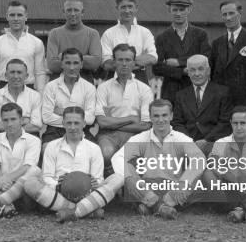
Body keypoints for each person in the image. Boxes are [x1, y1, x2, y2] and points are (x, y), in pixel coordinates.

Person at [24, 106, 124, 222]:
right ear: (63, 124)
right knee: (29, 183)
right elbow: (47, 177)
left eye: (76, 123)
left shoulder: (94, 148)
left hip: (87, 195)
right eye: (69, 123)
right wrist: (57, 185)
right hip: (59, 194)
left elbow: (98, 179)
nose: (72, 127)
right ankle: (85, 211)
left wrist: (94, 183)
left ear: (84, 124)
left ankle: (73, 212)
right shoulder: (52, 146)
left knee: (119, 178)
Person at [111, 99, 206, 219]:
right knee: (127, 173)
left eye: (164, 115)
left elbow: (200, 159)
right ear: (150, 117)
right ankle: (161, 207)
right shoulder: (141, 138)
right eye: (156, 116)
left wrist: (184, 182)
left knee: (196, 181)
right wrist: (130, 177)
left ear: (171, 116)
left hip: (173, 188)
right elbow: (117, 157)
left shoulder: (181, 138)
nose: (160, 120)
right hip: (148, 187)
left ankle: (151, 207)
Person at [0, 103, 42, 220]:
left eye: (13, 119)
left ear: (22, 120)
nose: (9, 124)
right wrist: (1, 182)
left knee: (35, 170)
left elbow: (27, 167)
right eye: (5, 120)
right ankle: (6, 206)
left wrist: (5, 180)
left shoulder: (34, 140)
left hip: (21, 189)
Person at [95, 44, 153, 175]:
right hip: (108, 136)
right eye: (120, 60)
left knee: (135, 159)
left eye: (128, 60)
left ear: (134, 63)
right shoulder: (104, 88)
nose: (124, 63)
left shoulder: (144, 89)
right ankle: (110, 189)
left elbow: (145, 125)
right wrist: (131, 119)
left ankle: (131, 190)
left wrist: (113, 123)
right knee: (106, 153)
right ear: (114, 62)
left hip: (136, 135)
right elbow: (102, 123)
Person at [153, 0, 211, 103]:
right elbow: (157, 68)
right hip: (171, 92)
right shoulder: (162, 37)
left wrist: (179, 61)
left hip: (195, 89)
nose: (178, 13)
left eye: (182, 10)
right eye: (175, 10)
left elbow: (206, 58)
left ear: (189, 10)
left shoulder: (200, 34)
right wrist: (182, 71)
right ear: (169, 10)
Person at [0, 0, 47, 102]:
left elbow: (40, 73)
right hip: (2, 89)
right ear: (7, 16)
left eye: (20, 15)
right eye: (12, 15)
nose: (16, 19)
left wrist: (41, 98)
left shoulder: (37, 43)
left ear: (26, 16)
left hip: (29, 89)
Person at [171, 54, 232, 155]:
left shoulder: (223, 92)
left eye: (200, 69)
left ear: (208, 71)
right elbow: (177, 123)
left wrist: (207, 140)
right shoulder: (180, 95)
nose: (197, 73)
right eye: (192, 70)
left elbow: (225, 123)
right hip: (188, 146)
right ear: (188, 72)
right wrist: (189, 142)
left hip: (215, 144)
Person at [100, 0, 157, 84]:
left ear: (136, 8)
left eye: (130, 6)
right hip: (114, 78)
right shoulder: (108, 33)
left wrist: (120, 61)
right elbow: (106, 63)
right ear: (117, 8)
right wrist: (136, 61)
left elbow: (153, 57)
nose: (127, 11)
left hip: (140, 77)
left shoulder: (145, 32)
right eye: (123, 7)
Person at [41, 48, 96, 143]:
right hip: (54, 131)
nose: (71, 67)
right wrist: (79, 115)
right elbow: (46, 117)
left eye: (75, 63)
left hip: (82, 131)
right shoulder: (50, 86)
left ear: (81, 64)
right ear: (62, 64)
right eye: (68, 63)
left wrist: (62, 112)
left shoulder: (89, 87)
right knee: (46, 149)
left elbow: (90, 118)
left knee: (95, 152)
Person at [46, 0, 102, 84]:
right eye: (69, 10)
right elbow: (52, 65)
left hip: (85, 85)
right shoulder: (54, 33)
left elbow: (95, 63)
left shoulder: (92, 34)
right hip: (58, 85)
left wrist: (63, 58)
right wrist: (84, 59)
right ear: (63, 12)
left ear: (82, 12)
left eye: (76, 10)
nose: (72, 14)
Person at [210, 1, 246, 106]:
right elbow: (213, 72)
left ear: (239, 14)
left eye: (231, 13)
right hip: (221, 99)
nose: (228, 18)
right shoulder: (217, 43)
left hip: (244, 99)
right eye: (224, 15)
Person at [0, 59, 42, 135]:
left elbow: (36, 126)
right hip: (2, 136)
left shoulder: (35, 96)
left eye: (19, 72)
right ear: (6, 75)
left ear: (26, 76)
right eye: (12, 72)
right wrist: (24, 121)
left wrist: (7, 123)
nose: (16, 76)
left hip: (29, 137)